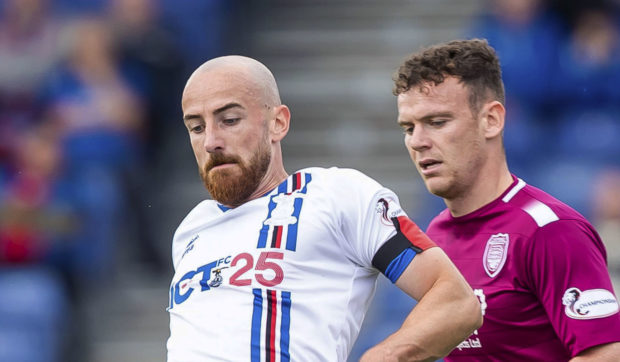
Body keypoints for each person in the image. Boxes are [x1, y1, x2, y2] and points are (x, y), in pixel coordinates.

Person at [166, 55, 482, 361]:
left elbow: (456, 301)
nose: (210, 141)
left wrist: (382, 357)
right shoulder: (190, 231)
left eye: (229, 120)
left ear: (277, 123)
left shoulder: (336, 195)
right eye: (196, 127)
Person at [393, 38, 620, 361]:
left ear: (492, 120)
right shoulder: (437, 232)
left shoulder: (550, 230)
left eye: (437, 122)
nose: (417, 141)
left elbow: (608, 353)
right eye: (408, 127)